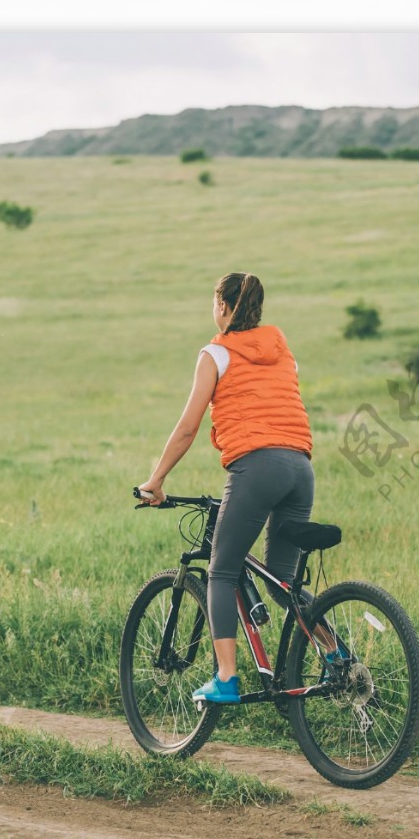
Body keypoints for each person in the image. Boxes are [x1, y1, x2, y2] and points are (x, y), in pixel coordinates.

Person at [136, 271, 317, 704]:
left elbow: (187, 429)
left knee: (221, 570)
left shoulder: (215, 354)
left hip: (256, 470)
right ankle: (337, 656)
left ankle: (226, 678)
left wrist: (156, 480)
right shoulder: (282, 351)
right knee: (282, 582)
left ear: (222, 307)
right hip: (300, 468)